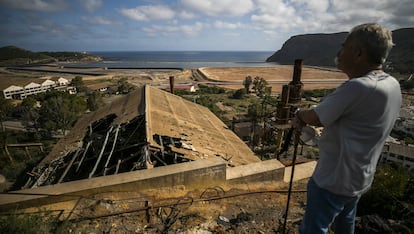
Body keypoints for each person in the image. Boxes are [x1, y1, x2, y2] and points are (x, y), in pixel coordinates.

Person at [293, 23, 402, 233]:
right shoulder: (392, 84)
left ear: (359, 53)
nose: (339, 53)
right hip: (359, 178)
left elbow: (316, 117)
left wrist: (299, 114)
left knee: (314, 228)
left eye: (344, 47)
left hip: (332, 180)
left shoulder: (358, 87)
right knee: (345, 225)